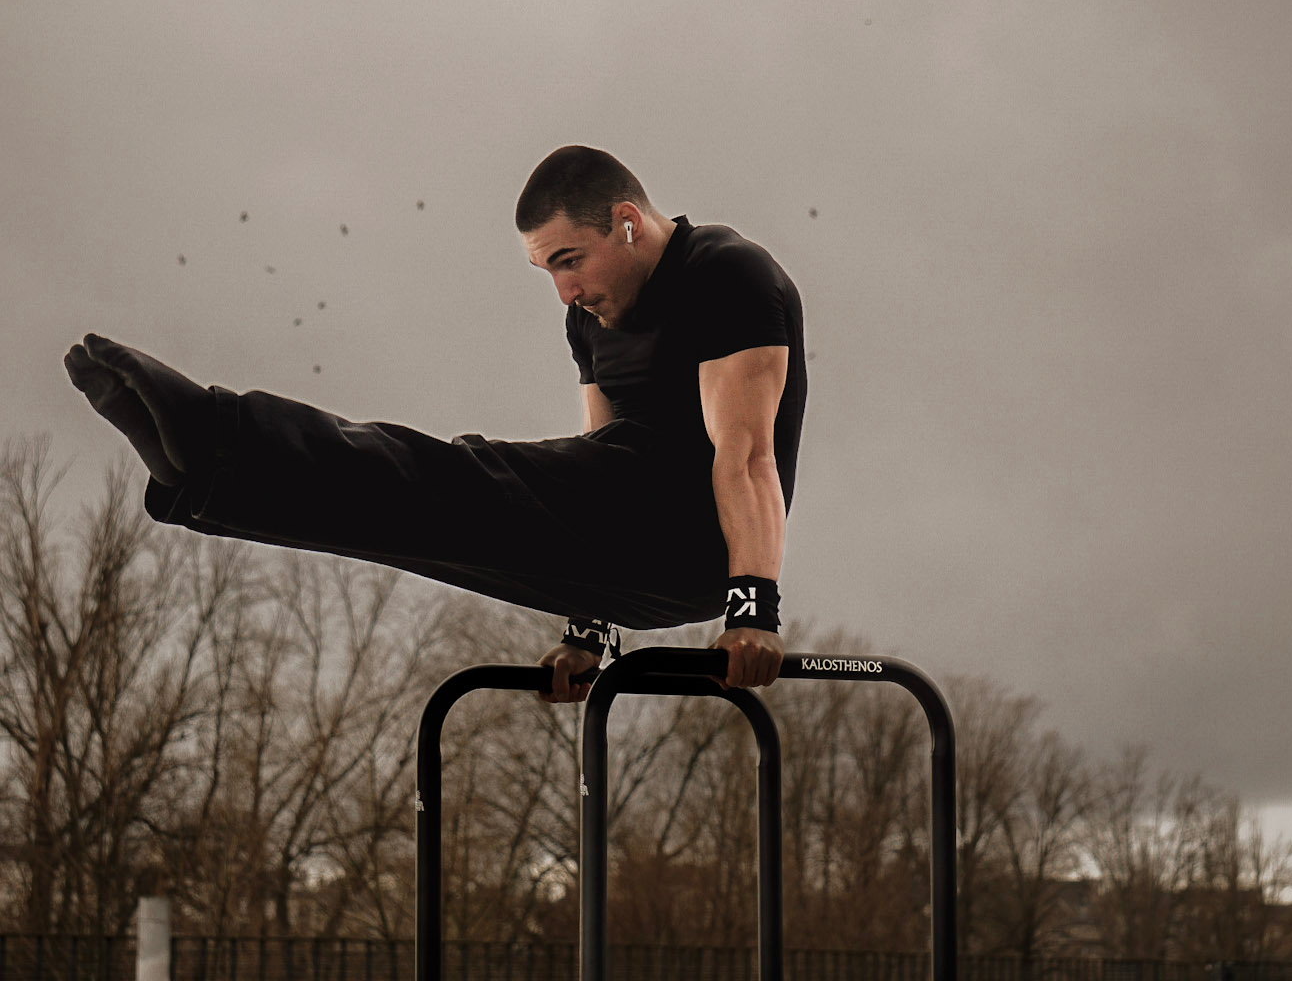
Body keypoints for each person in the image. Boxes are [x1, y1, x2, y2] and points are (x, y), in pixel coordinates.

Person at [64, 145, 807, 703]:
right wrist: (586, 631)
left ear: (626, 223)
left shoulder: (725, 273)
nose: (564, 291)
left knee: (456, 474)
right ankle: (205, 482)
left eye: (570, 260)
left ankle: (215, 433)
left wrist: (752, 607)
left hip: (704, 540)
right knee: (418, 523)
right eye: (547, 270)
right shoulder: (587, 322)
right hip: (626, 541)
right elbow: (590, 462)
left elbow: (745, 454)